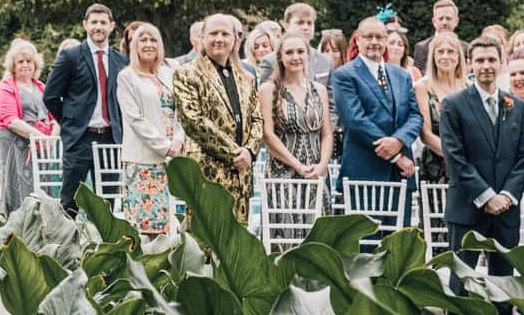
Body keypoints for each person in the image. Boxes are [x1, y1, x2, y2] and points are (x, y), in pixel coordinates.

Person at [438, 37, 524, 270]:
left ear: (501, 62)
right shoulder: (454, 104)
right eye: (480, 60)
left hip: (506, 210)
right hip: (467, 208)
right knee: (460, 284)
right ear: (470, 63)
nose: (486, 66)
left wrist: (508, 195)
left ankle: (501, 310)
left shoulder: (517, 106)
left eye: (492, 59)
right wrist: (487, 196)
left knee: (503, 285)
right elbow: (454, 158)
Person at [173, 14, 263, 221]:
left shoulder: (247, 78)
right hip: (206, 171)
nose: (219, 39)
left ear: (234, 39)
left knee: (237, 243)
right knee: (204, 240)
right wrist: (234, 152)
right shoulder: (187, 73)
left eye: (225, 34)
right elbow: (192, 120)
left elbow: (257, 120)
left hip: (241, 174)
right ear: (202, 37)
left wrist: (249, 151)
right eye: (213, 33)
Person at [40, 4, 127, 213]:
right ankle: (65, 244)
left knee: (107, 202)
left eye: (103, 22)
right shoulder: (71, 57)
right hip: (80, 138)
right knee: (70, 200)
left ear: (112, 26)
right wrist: (71, 123)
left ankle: (105, 244)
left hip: (110, 138)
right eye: (94, 22)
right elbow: (50, 96)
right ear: (85, 25)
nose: (99, 27)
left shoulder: (120, 60)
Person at [332, 17, 421, 217]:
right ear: (357, 40)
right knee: (366, 243)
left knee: (399, 241)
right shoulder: (344, 75)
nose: (374, 42)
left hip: (400, 175)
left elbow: (415, 115)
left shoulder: (402, 75)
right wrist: (395, 156)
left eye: (379, 37)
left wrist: (399, 141)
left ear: (386, 40)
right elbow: (355, 120)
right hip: (364, 170)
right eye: (368, 36)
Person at [116, 23, 185, 238]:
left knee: (169, 222)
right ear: (134, 46)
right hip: (143, 160)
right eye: (143, 40)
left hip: (172, 158)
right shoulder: (127, 77)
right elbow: (135, 119)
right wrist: (165, 146)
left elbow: (182, 110)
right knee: (146, 225)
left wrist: (179, 140)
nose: (148, 44)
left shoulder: (169, 73)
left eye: (153, 39)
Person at [0, 38, 56, 213]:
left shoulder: (41, 87)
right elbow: (11, 121)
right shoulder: (5, 88)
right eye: (20, 61)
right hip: (17, 149)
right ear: (13, 65)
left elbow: (54, 117)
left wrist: (52, 137)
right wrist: (40, 136)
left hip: (42, 150)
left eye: (29, 61)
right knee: (20, 189)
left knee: (44, 190)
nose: (25, 65)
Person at [260, 32, 333, 187]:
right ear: (280, 57)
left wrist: (321, 166)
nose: (295, 57)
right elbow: (267, 135)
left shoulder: (319, 90)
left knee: (319, 212)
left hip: (316, 172)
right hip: (282, 173)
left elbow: (326, 134)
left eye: (300, 52)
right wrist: (298, 166)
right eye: (289, 52)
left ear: (308, 55)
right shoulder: (268, 89)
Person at [416, 32, 468, 183]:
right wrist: (456, 157)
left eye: (451, 51)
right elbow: (425, 134)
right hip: (435, 166)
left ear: (459, 57)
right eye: (440, 51)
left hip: (469, 167)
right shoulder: (423, 88)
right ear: (433, 56)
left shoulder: (469, 88)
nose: (445, 56)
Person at [411, 0, 459, 72]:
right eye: (440, 18)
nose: (444, 23)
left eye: (448, 18)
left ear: (456, 21)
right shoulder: (421, 48)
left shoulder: (465, 48)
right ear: (434, 21)